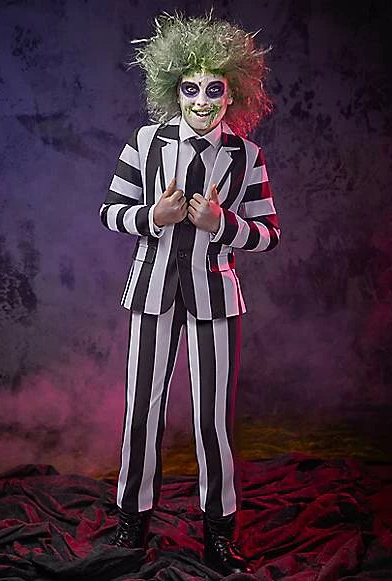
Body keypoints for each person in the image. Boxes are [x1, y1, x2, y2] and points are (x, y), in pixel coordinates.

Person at [101, 11, 280, 575]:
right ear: (173, 89)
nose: (202, 101)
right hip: (151, 292)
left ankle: (218, 532)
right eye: (190, 88)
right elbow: (110, 212)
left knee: (213, 420)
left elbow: (268, 234)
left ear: (233, 93)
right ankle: (132, 521)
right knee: (141, 412)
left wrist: (222, 223)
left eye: (214, 89)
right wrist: (152, 217)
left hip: (215, 300)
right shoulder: (145, 143)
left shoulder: (248, 156)